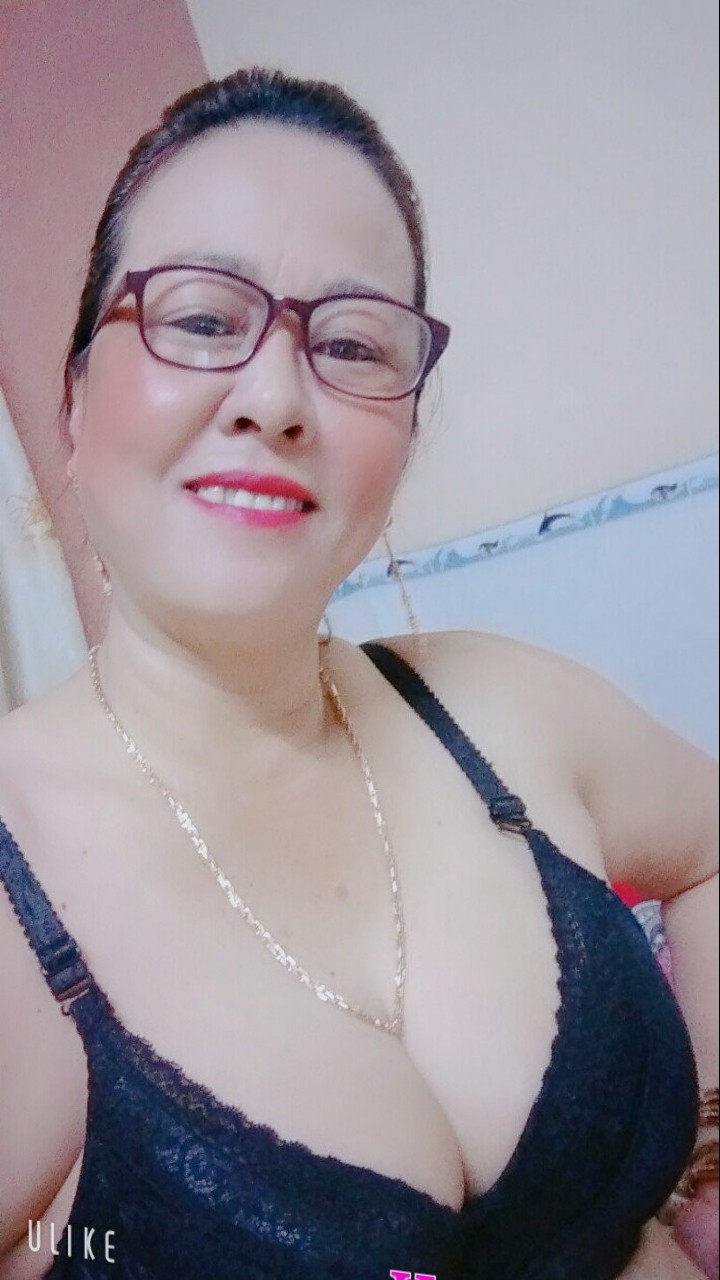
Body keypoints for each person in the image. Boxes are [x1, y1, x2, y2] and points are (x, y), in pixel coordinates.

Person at [0, 66, 716, 1280]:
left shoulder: (501, 701)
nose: (276, 396)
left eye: (349, 343)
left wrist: (709, 1153)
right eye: (202, 319)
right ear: (74, 402)